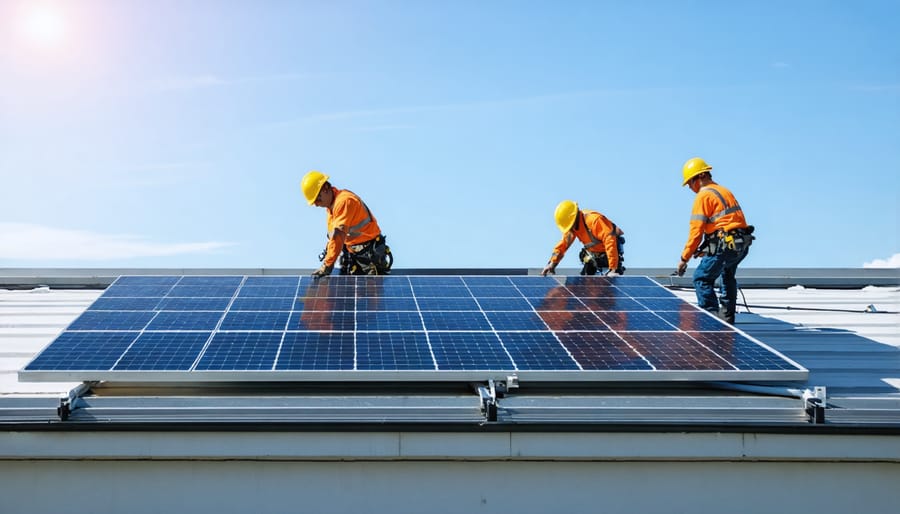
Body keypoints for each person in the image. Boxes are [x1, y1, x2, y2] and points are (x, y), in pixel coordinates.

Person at [675, 157, 754, 324]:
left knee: (701, 278)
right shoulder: (724, 191)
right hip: (740, 243)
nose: (690, 187)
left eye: (691, 182)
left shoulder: (703, 196)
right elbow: (726, 223)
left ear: (701, 176)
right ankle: (727, 318)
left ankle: (711, 322)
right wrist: (706, 248)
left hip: (725, 245)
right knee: (727, 276)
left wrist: (684, 259)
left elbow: (696, 232)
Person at [300, 170, 393, 278]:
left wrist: (327, 265)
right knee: (350, 291)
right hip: (355, 254)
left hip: (369, 254)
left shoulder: (344, 202)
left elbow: (338, 236)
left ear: (325, 188)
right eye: (314, 202)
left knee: (371, 290)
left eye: (317, 198)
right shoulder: (331, 209)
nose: (316, 204)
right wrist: (328, 252)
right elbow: (333, 239)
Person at [541, 200, 625, 277]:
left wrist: (613, 269)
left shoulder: (594, 220)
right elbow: (563, 245)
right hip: (594, 256)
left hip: (610, 255)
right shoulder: (573, 227)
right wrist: (552, 263)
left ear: (574, 218)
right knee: (585, 285)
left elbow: (610, 241)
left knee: (610, 287)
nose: (571, 229)